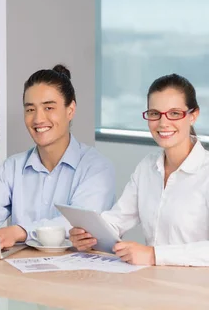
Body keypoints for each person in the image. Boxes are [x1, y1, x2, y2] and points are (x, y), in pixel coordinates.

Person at [70, 74, 208, 266]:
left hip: (196, 290)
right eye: (154, 113)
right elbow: (117, 219)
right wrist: (89, 234)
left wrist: (153, 255)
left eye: (174, 113)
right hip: (152, 283)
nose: (163, 123)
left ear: (193, 115)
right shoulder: (147, 168)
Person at [0, 65, 115, 248]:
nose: (38, 119)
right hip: (20, 271)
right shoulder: (12, 168)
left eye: (49, 108)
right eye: (30, 109)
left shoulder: (97, 168)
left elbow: (79, 224)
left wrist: (21, 231)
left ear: (70, 110)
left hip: (79, 272)